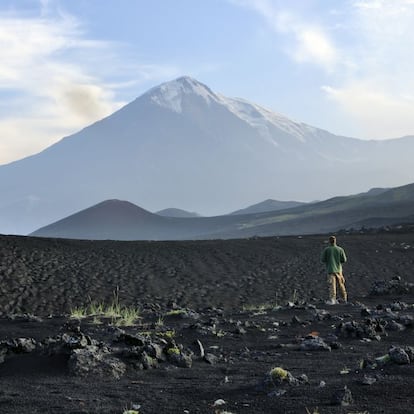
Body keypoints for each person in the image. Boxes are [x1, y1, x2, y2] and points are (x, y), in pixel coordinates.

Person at [321, 235, 347, 304]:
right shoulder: (340, 249)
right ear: (335, 241)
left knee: (332, 287)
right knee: (341, 285)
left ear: (329, 241)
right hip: (339, 270)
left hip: (330, 270)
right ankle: (344, 299)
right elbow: (344, 260)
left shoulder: (327, 249)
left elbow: (323, 259)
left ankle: (333, 300)